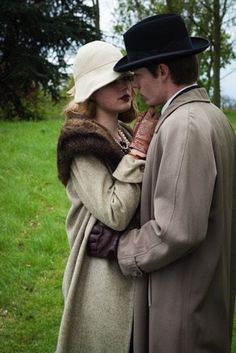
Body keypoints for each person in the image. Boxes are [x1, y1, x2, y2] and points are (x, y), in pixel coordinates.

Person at [87, 14, 236, 353]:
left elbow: (176, 230)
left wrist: (118, 247)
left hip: (182, 308)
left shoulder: (183, 125)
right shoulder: (213, 116)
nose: (134, 86)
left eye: (138, 75)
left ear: (163, 71)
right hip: (204, 294)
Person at [55, 40, 157, 353]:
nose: (124, 86)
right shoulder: (80, 145)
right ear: (91, 90)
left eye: (126, 77)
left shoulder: (124, 133)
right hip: (99, 273)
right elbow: (115, 212)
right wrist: (139, 151)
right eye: (111, 81)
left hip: (129, 259)